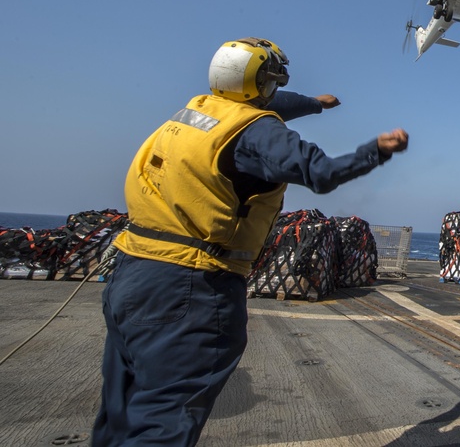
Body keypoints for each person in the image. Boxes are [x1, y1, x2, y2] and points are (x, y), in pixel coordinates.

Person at [92, 37, 408, 446]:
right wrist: (376, 151)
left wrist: (314, 103)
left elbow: (275, 103)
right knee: (162, 424)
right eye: (271, 81)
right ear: (261, 84)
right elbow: (322, 172)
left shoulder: (199, 110)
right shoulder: (259, 133)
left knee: (119, 413)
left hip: (132, 272)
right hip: (192, 287)